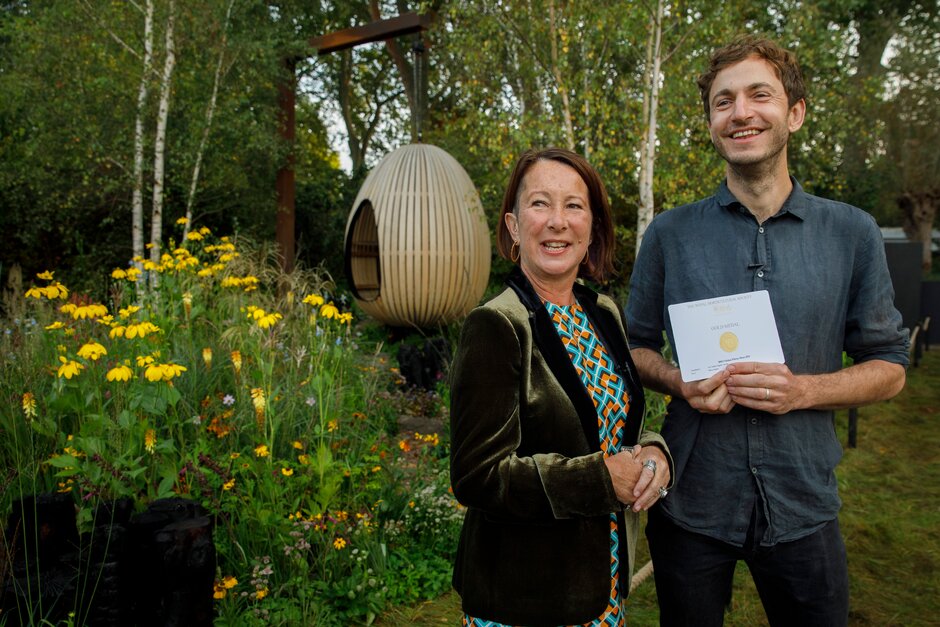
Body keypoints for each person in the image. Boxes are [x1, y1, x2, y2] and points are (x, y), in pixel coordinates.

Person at [626, 36, 909, 627]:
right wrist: (678, 382)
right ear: (710, 124)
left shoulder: (852, 233)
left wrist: (803, 391)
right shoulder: (670, 235)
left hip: (803, 501)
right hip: (693, 501)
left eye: (760, 94)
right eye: (723, 102)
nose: (742, 112)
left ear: (795, 113)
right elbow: (633, 346)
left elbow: (889, 366)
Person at [450, 147, 673, 627]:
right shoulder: (497, 324)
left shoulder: (603, 313)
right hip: (527, 598)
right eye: (539, 204)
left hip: (604, 583)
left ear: (592, 226)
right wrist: (599, 478)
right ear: (512, 226)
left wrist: (655, 455)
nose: (557, 221)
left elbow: (617, 426)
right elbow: (477, 476)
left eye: (574, 206)